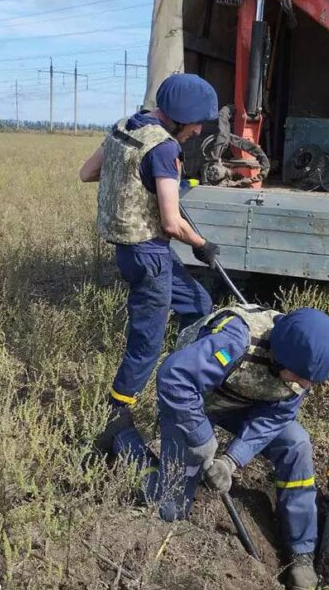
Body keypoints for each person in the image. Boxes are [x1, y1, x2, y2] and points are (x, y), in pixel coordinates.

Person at [103, 303, 329, 590]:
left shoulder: (304, 367)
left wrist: (231, 460)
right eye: (301, 377)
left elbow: (276, 416)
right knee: (168, 507)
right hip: (193, 404)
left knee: (296, 443)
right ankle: (123, 436)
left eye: (311, 380)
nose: (305, 385)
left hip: (242, 405)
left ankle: (301, 552)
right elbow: (174, 377)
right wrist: (201, 436)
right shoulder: (235, 339)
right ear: (282, 356)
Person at [79, 73, 222, 449]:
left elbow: (88, 172)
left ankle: (182, 378)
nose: (197, 130)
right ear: (179, 117)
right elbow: (172, 223)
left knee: (198, 305)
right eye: (196, 123)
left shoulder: (125, 128)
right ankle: (116, 415)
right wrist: (202, 245)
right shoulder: (163, 148)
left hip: (131, 250)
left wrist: (136, 181)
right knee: (146, 344)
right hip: (149, 255)